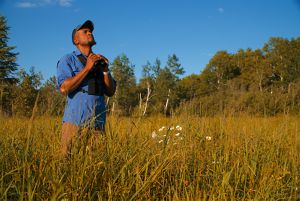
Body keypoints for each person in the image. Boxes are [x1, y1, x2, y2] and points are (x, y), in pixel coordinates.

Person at [57, 20, 116, 156]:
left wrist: (106, 70)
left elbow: (111, 92)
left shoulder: (99, 61)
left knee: (97, 165)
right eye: (85, 31)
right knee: (66, 161)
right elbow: (64, 88)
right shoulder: (68, 60)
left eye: (90, 31)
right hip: (75, 122)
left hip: (98, 124)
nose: (89, 32)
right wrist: (87, 68)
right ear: (76, 39)